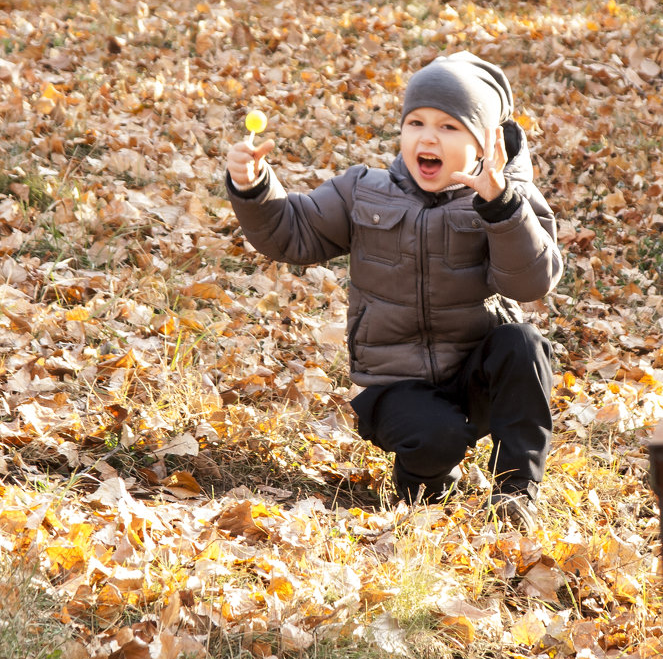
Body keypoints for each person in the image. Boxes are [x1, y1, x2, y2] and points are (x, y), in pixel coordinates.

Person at [225, 51, 563, 529]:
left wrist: (501, 206)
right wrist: (254, 187)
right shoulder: (365, 191)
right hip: (398, 385)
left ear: (486, 144)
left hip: (475, 376)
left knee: (524, 343)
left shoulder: (507, 200)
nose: (428, 136)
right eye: (416, 122)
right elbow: (292, 233)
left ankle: (515, 491)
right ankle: (423, 478)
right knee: (433, 440)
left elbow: (530, 281)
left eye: (450, 127)